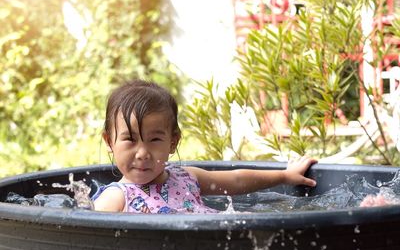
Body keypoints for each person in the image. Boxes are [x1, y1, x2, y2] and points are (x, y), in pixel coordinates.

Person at [92, 79, 317, 214]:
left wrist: (285, 176)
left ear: (173, 142)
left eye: (155, 140)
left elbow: (237, 180)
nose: (142, 153)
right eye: (130, 139)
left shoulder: (187, 178)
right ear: (109, 142)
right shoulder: (115, 200)